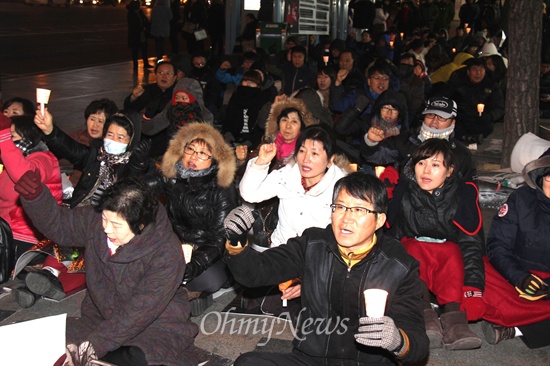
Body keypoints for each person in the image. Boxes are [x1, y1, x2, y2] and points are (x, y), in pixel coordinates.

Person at [224, 172, 429, 365]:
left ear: (380, 220)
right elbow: (256, 272)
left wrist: (398, 341)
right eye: (340, 207)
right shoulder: (312, 244)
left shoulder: (398, 265)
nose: (346, 218)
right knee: (247, 362)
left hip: (367, 362)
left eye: (359, 210)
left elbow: (418, 345)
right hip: (312, 359)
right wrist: (236, 241)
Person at [14, 174, 199, 366]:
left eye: (116, 225)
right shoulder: (103, 219)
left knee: (138, 357)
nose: (107, 229)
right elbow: (60, 225)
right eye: (104, 219)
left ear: (140, 225)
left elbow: (137, 313)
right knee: (47, 344)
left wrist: (91, 347)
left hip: (156, 323)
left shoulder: (166, 252)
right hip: (102, 317)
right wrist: (36, 197)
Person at [387, 139, 485, 350]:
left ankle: (454, 321)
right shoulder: (405, 194)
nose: (426, 171)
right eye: (421, 163)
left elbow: (471, 245)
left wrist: (473, 287)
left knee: (451, 251)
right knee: (411, 248)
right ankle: (423, 316)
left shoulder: (461, 196)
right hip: (414, 269)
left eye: (435, 165)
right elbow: (391, 238)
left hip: (447, 267)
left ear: (449, 171)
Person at [146, 122, 238, 314]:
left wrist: (196, 263)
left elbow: (219, 238)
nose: (194, 156)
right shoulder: (173, 176)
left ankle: (185, 292)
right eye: (190, 149)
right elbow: (141, 189)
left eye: (203, 153)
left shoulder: (222, 187)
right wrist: (137, 164)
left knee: (208, 278)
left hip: (211, 254)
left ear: (215, 159)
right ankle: (182, 292)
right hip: (177, 246)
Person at [481, 150, 550, 349]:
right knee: (472, 270)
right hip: (515, 277)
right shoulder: (521, 199)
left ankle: (516, 329)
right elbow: (497, 245)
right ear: (541, 177)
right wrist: (519, 277)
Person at [240, 125, 350, 248]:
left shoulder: (342, 188)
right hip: (280, 251)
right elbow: (249, 194)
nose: (306, 159)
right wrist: (260, 163)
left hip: (315, 258)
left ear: (330, 160)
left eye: (314, 153)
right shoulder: (287, 175)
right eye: (302, 151)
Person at [34, 108, 150, 209]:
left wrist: (138, 165)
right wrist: (50, 131)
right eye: (110, 135)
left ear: (131, 141)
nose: (113, 140)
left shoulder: (136, 164)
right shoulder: (96, 155)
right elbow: (72, 149)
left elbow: (133, 194)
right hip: (82, 213)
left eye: (120, 137)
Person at [360, 96, 476, 181]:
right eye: (430, 115)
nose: (434, 121)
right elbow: (376, 157)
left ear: (453, 122)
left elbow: (468, 189)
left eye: (442, 118)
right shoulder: (406, 141)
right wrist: (371, 141)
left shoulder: (461, 153)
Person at [0, 116, 62, 257]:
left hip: (26, 237)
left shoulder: (43, 158)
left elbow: (23, 177)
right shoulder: (15, 157)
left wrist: (4, 140)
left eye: (12, 136)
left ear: (27, 136)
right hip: (8, 230)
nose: (9, 141)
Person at [445, 57, 505, 143]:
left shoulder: (491, 85)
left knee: (488, 126)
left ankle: (473, 137)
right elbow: (446, 98)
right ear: (468, 72)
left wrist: (490, 116)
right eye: (475, 70)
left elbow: (499, 107)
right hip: (461, 118)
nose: (478, 73)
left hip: (481, 119)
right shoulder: (457, 83)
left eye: (481, 70)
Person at [67, 98, 119, 187]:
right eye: (92, 119)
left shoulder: (112, 147)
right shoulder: (76, 137)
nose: (95, 125)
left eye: (100, 121)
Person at [126, 0, 154, 71]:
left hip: (141, 34)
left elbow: (145, 20)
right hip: (135, 34)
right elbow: (133, 25)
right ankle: (136, 65)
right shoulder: (132, 13)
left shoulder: (138, 12)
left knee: (143, 49)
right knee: (136, 50)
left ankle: (145, 63)